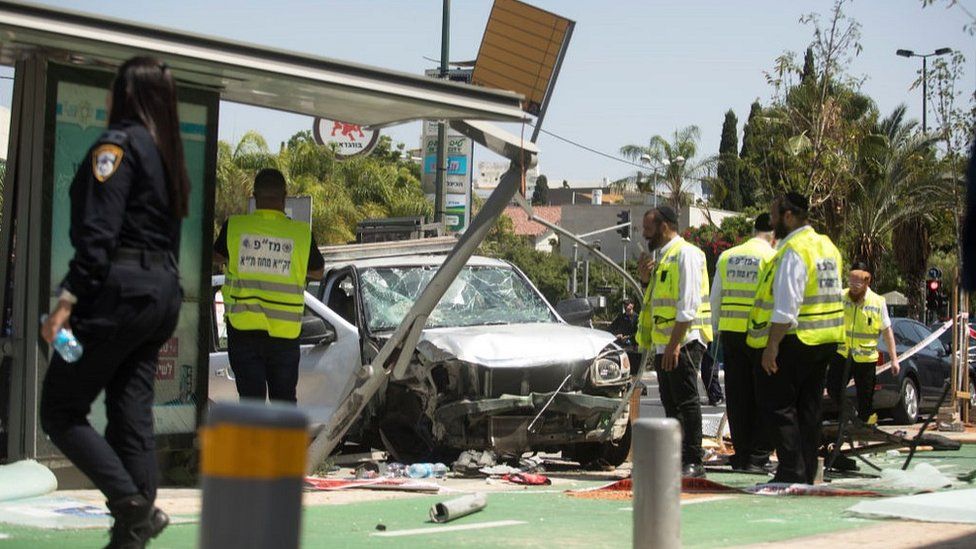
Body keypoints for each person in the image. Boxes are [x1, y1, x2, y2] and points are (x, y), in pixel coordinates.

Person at [39, 56, 187, 548]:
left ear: (125, 95)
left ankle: (132, 507)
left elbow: (98, 238)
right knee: (130, 415)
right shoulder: (166, 157)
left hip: (117, 292)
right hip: (160, 295)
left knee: (61, 409)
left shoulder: (117, 147)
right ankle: (131, 537)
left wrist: (66, 302)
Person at [746, 192, 844, 484]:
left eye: (775, 214)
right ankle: (806, 470)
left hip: (797, 339)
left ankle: (791, 469)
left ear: (788, 216)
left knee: (775, 403)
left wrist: (772, 346)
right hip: (825, 341)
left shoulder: (794, 250)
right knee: (809, 408)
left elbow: (787, 306)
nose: (772, 221)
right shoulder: (827, 246)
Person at [213, 168, 325, 404]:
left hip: (243, 331)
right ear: (284, 196)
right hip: (284, 335)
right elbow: (317, 271)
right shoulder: (301, 233)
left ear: (255, 196)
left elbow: (215, 257)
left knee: (251, 403)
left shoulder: (235, 227)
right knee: (283, 402)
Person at [636, 205, 713, 478]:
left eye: (648, 229)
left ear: (664, 226)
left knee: (686, 401)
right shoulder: (663, 259)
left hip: (684, 342)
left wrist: (674, 345)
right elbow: (656, 303)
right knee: (670, 403)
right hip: (664, 343)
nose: (645, 235)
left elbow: (688, 306)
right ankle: (676, 458)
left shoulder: (686, 254)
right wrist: (646, 280)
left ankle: (694, 460)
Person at [709, 213, 776, 472]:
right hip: (761, 336)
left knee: (737, 398)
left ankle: (742, 453)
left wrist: (716, 330)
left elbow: (716, 299)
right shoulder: (771, 257)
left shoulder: (727, 257)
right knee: (764, 396)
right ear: (774, 236)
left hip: (731, 335)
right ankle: (757, 457)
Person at [826, 261, 900, 423]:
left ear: (867, 281)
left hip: (865, 358)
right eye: (851, 281)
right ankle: (848, 410)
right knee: (832, 387)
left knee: (865, 398)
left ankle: (864, 424)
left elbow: (887, 331)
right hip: (842, 353)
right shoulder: (840, 297)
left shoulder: (878, 302)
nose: (854, 286)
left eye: (858, 282)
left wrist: (894, 359)